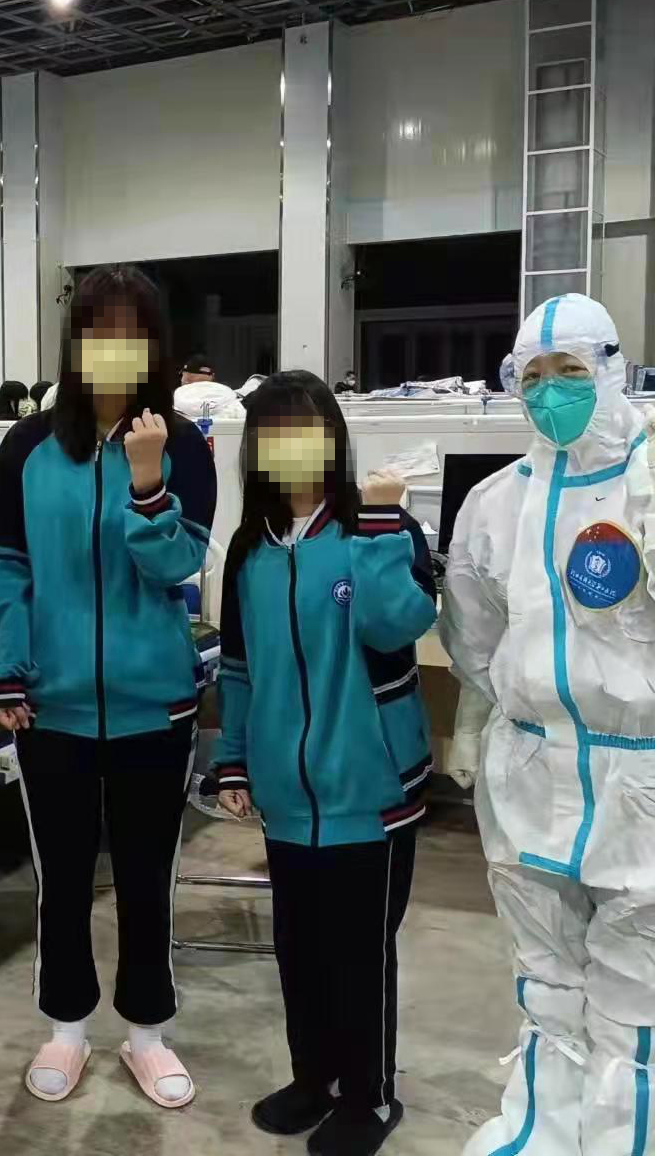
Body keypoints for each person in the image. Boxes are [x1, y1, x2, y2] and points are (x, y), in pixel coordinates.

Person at [443, 293, 655, 1156]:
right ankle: (540, 1132)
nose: (551, 391)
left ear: (611, 368)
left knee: (641, 1009)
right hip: (533, 774)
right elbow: (473, 635)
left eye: (570, 371)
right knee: (546, 984)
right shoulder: (496, 502)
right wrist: (505, 719)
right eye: (533, 376)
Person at [0, 263, 217, 1111]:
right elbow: (4, 566)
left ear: (155, 345)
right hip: (54, 706)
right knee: (64, 877)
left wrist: (148, 479)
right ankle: (66, 1026)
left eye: (131, 332)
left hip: (157, 703)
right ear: (75, 342)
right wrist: (7, 668)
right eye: (97, 330)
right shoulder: (27, 446)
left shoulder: (184, 445)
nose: (114, 348)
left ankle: (148, 1032)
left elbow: (178, 563)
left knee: (149, 875)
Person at [206, 371, 435, 1156]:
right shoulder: (251, 551)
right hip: (286, 795)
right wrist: (234, 762)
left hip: (370, 791)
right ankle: (314, 1078)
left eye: (308, 431)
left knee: (359, 954)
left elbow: (397, 621)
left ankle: (370, 1096)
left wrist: (381, 524)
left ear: (334, 440)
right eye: (275, 434)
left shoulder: (380, 530)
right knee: (299, 949)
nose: (293, 450)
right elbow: (239, 669)